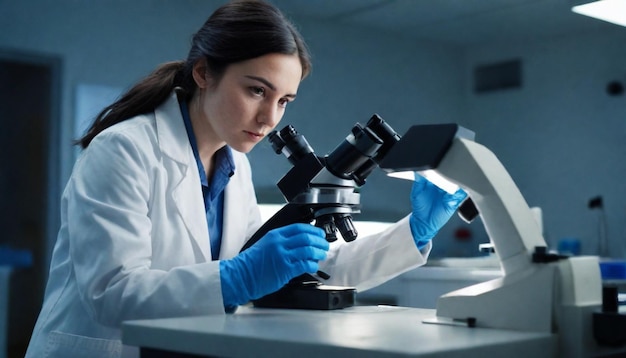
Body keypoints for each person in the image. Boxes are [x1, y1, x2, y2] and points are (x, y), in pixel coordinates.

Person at [25, 0, 467, 357]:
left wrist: (414, 230)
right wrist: (236, 278)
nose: (269, 118)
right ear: (203, 73)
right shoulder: (123, 149)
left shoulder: (235, 166)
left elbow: (300, 268)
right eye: (257, 90)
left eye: (284, 101)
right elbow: (112, 293)